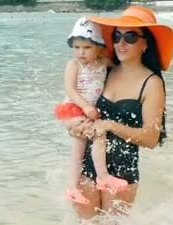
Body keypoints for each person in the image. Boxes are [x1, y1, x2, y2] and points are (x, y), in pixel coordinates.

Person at [64, 5, 173, 225]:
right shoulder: (106, 70)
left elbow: (151, 138)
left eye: (130, 37)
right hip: (89, 165)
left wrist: (112, 125)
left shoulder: (152, 83)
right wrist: (73, 127)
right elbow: (80, 105)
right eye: (116, 36)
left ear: (146, 43)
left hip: (121, 171)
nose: (121, 43)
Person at [54, 17, 129, 206]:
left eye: (87, 48)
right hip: (73, 108)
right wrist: (86, 106)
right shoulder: (74, 65)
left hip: (88, 111)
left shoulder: (103, 62)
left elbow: (120, 66)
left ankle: (76, 186)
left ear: (99, 47)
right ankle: (99, 177)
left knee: (84, 144)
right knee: (94, 135)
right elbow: (70, 89)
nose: (81, 52)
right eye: (77, 47)